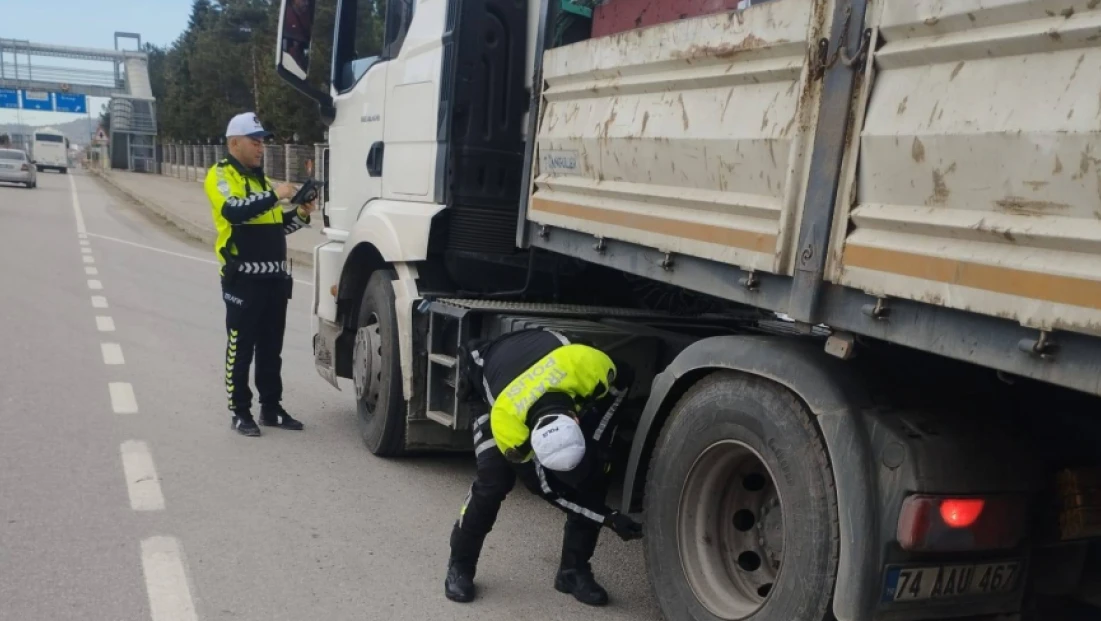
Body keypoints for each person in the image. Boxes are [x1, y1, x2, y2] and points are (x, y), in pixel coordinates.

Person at [445, 328, 644, 606]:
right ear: (531, 443)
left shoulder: (592, 367)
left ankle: (572, 572)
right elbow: (549, 490)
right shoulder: (508, 425)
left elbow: (622, 384)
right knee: (494, 482)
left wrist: (598, 444)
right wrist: (607, 517)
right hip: (489, 384)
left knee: (595, 471)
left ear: (575, 420)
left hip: (553, 357)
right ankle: (460, 566)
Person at [204, 112, 315, 437]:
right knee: (240, 347)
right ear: (234, 142)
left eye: (262, 141)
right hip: (243, 280)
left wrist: (301, 214)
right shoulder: (221, 175)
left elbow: (277, 227)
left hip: (273, 281)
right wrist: (276, 194)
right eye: (255, 141)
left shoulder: (262, 182)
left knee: (271, 349)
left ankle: (271, 407)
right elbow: (234, 212)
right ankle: (240, 412)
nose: (260, 147)